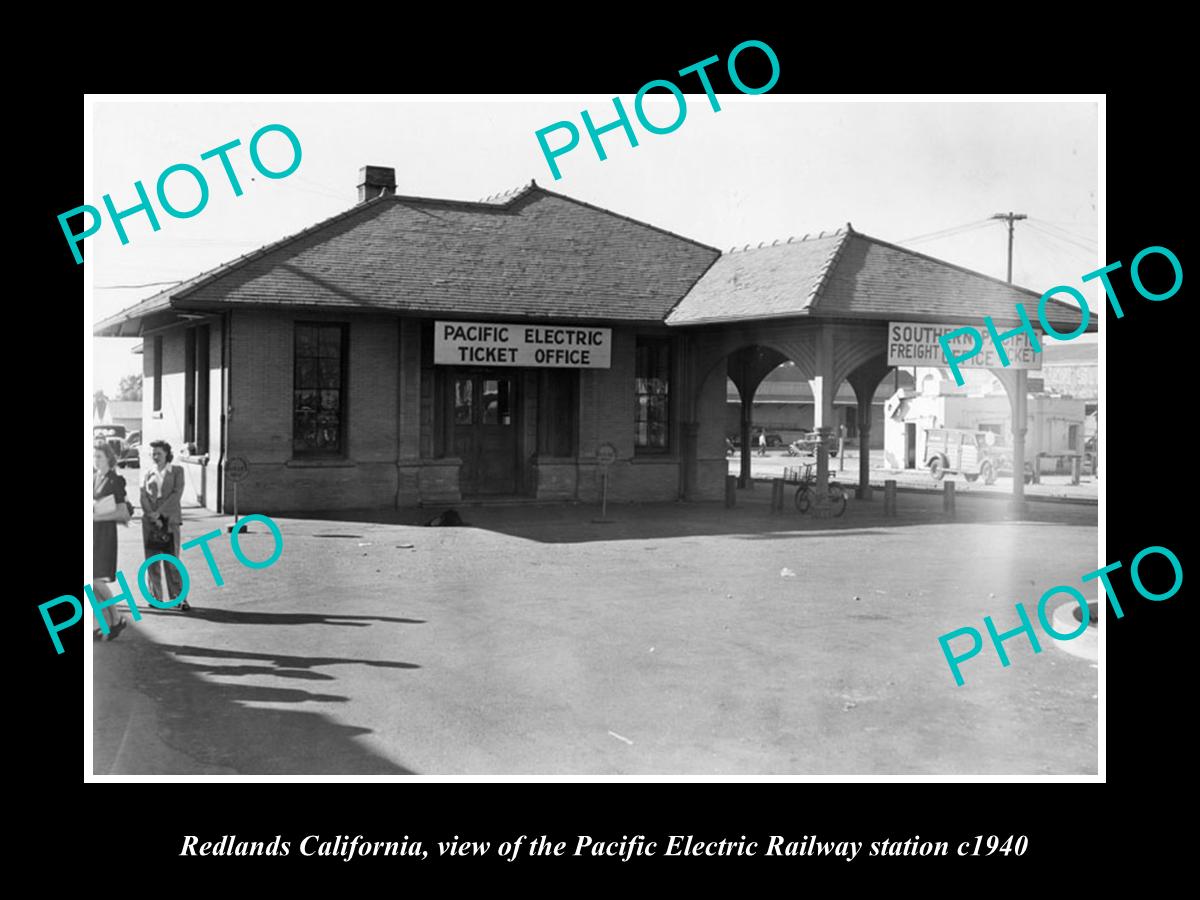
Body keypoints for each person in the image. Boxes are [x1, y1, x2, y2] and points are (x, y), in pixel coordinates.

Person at [140, 440, 190, 612]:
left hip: (169, 520)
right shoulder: (148, 473)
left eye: (158, 453)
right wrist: (152, 515)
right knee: (152, 560)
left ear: (167, 454)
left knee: (172, 559)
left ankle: (179, 598)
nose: (155, 457)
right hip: (151, 522)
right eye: (153, 453)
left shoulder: (177, 471)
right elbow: (143, 495)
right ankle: (155, 597)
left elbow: (177, 494)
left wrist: (160, 513)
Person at [93, 441, 130, 640]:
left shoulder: (115, 480)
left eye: (99, 456)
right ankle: (106, 622)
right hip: (91, 534)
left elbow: (122, 512)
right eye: (93, 456)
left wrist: (95, 516)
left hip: (104, 535)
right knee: (91, 582)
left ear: (109, 458)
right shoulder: (93, 478)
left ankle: (115, 620)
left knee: (94, 579)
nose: (95, 460)